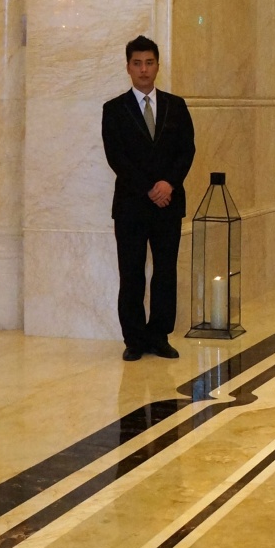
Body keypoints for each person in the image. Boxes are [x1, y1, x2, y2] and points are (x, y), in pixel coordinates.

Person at [101, 36, 196, 361]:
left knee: (165, 272)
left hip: (169, 204)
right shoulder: (114, 110)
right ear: (128, 67)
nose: (144, 69)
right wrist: (149, 188)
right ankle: (134, 339)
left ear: (157, 65)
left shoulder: (176, 106)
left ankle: (159, 336)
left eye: (149, 63)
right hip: (131, 206)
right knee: (131, 274)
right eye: (137, 63)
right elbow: (116, 157)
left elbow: (187, 150)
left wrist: (169, 184)